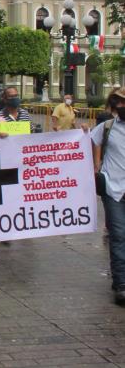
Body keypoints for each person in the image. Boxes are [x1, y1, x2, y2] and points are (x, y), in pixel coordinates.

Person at [91, 87, 125, 305]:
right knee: (119, 235)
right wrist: (97, 167)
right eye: (117, 103)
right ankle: (121, 282)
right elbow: (89, 141)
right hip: (114, 190)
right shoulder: (108, 127)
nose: (121, 106)